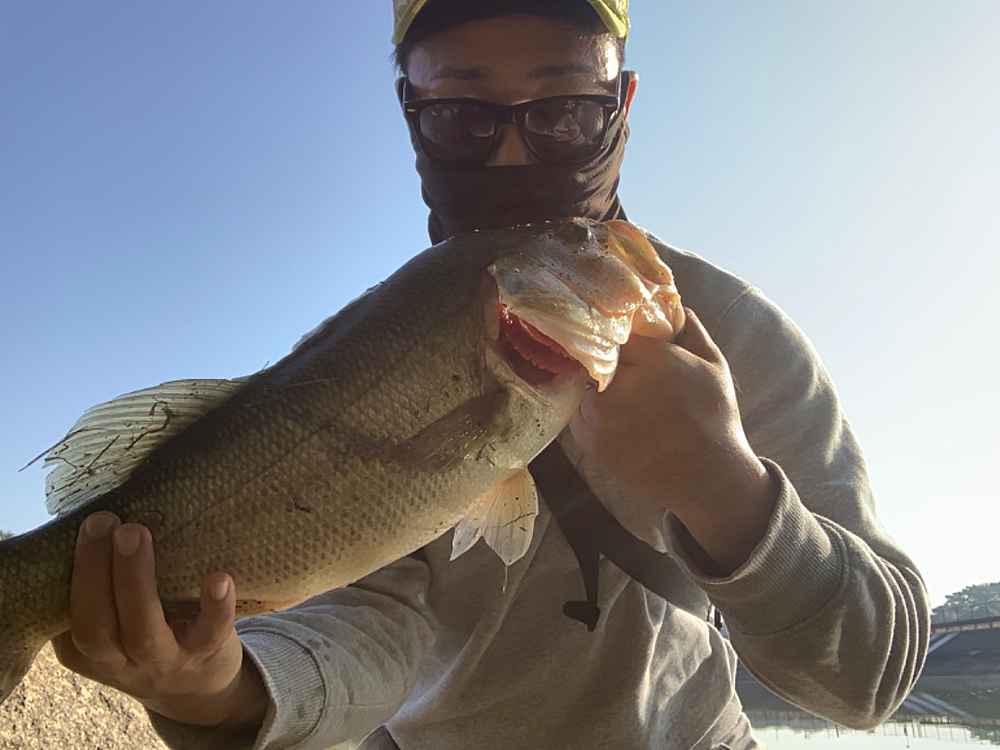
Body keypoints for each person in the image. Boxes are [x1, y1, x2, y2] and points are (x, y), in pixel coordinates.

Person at [53, 2, 931, 748]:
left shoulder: (731, 330)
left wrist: (729, 493)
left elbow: (869, 682)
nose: (514, 156)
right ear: (412, 114)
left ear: (621, 105)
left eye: (564, 111)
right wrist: (222, 691)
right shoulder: (374, 346)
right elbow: (372, 626)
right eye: (465, 117)